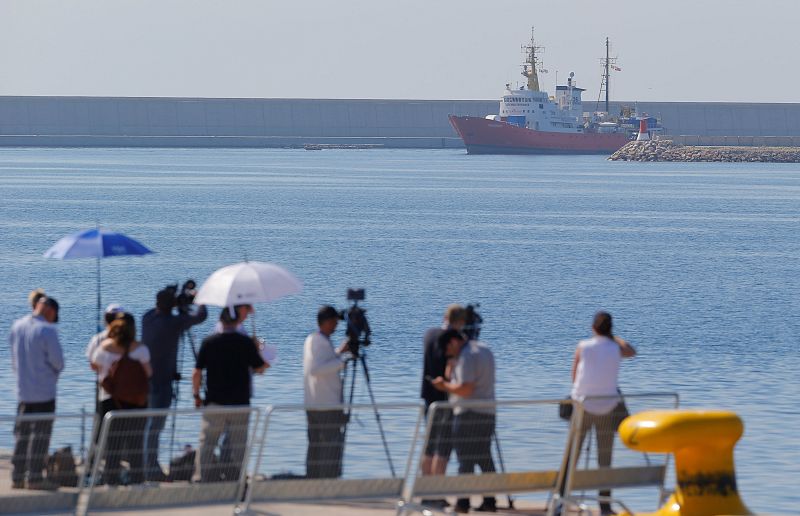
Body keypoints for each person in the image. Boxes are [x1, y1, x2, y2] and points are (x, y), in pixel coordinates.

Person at [569, 311, 636, 516]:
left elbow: (574, 377)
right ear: (610, 329)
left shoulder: (583, 346)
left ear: (593, 328)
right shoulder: (615, 347)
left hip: (582, 406)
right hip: (608, 408)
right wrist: (612, 337)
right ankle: (604, 505)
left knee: (573, 455)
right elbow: (631, 351)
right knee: (604, 458)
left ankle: (562, 497)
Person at [192, 307, 267, 482]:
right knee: (239, 446)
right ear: (237, 321)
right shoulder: (245, 342)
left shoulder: (209, 342)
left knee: (207, 443)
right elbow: (260, 367)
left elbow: (196, 372)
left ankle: (200, 479)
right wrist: (257, 350)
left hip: (214, 402)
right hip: (240, 403)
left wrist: (196, 396)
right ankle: (237, 481)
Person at [142, 287, 207, 481]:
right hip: (162, 383)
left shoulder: (147, 319)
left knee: (149, 426)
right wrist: (199, 299)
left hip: (148, 381)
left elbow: (163, 311)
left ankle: (148, 465)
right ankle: (150, 468)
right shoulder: (173, 323)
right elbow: (201, 316)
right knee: (155, 427)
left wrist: (176, 303)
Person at [432, 329, 497, 514]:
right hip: (488, 412)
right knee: (485, 458)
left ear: (453, 341)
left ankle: (462, 502)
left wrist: (443, 385)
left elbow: (465, 388)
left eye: (447, 349)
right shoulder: (484, 349)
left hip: (468, 413)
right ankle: (490, 500)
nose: (447, 354)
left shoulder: (466, 356)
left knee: (464, 460)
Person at [9, 295, 64, 490]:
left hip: (23, 391)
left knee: (22, 434)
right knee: (40, 435)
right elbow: (58, 361)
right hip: (44, 392)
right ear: (50, 310)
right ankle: (34, 477)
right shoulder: (47, 331)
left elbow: (14, 360)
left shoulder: (17, 326)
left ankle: (17, 475)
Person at [92, 313, 152, 485]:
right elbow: (148, 373)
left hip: (110, 400)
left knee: (112, 443)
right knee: (136, 441)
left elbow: (95, 366)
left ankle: (111, 479)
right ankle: (137, 480)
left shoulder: (104, 348)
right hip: (136, 400)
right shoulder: (141, 349)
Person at [420, 305, 466, 507]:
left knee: (429, 446)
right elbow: (448, 373)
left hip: (428, 397)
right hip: (444, 398)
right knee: (443, 448)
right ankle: (437, 493)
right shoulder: (452, 339)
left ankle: (426, 492)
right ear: (460, 321)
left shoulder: (429, 334)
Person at [303, 305, 350, 479]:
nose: (336, 326)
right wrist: (342, 362)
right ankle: (327, 479)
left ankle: (313, 479)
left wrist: (339, 352)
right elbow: (316, 369)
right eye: (335, 323)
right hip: (326, 405)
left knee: (315, 444)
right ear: (328, 322)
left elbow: (323, 362)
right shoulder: (318, 341)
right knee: (329, 445)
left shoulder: (314, 339)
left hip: (315, 403)